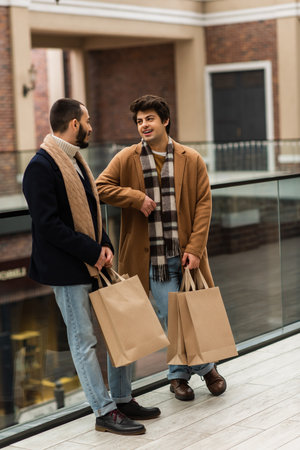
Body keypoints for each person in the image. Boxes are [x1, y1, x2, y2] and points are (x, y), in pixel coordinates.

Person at [22, 98, 160, 435]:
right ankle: (103, 411)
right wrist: (91, 251)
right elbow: (48, 225)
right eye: (87, 120)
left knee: (120, 328)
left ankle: (123, 398)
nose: (91, 126)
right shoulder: (41, 167)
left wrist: (105, 246)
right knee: (83, 341)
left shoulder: (76, 162)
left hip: (93, 264)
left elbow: (92, 213)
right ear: (73, 124)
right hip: (67, 271)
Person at [96, 94, 227, 401]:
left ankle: (178, 376)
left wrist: (195, 248)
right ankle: (207, 369)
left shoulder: (190, 158)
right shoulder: (127, 158)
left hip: (183, 256)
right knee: (172, 316)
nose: (144, 125)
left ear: (165, 120)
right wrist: (135, 198)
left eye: (149, 119)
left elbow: (203, 205)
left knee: (190, 314)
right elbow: (101, 186)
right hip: (149, 260)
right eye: (139, 121)